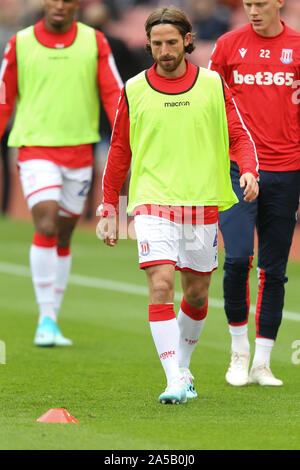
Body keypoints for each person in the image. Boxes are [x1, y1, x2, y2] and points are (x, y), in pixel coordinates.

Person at [96, 5, 259, 404]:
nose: (164, 50)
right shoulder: (134, 89)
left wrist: (250, 170)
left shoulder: (212, 85)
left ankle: (182, 368)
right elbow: (119, 152)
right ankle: (173, 378)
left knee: (198, 293)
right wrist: (109, 209)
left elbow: (238, 135)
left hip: (201, 202)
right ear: (148, 45)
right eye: (156, 44)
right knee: (161, 285)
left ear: (187, 41)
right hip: (152, 202)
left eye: (171, 42)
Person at [0, 0, 122, 346]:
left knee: (65, 235)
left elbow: (113, 91)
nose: (59, 5)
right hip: (35, 147)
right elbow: (4, 98)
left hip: (80, 150)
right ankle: (46, 319)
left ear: (76, 6)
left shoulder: (94, 42)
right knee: (47, 222)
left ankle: (53, 316)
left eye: (67, 0)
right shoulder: (19, 42)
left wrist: (123, 135)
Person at [209, 0, 300, 386]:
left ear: (279, 2)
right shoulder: (228, 45)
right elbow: (208, 103)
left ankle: (262, 363)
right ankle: (238, 352)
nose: (253, 10)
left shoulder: (296, 46)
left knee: (274, 270)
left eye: (261, 3)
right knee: (237, 258)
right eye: (247, 3)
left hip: (287, 169)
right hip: (236, 168)